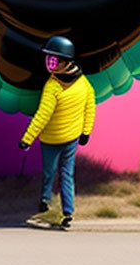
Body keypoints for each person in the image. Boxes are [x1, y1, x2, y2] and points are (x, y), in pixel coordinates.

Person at [19, 36, 96, 229]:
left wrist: (27, 139)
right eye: (48, 59)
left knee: (49, 172)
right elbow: (90, 106)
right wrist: (86, 131)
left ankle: (46, 200)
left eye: (53, 60)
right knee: (66, 175)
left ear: (66, 62)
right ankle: (67, 212)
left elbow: (42, 115)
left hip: (52, 140)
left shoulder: (52, 86)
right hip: (72, 137)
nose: (49, 64)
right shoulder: (83, 82)